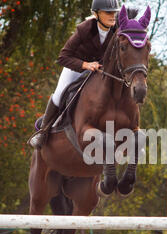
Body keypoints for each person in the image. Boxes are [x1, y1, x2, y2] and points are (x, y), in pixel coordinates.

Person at [29, 0, 120, 149]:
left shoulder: (117, 29)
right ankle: (43, 132)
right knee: (59, 95)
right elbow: (63, 57)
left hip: (100, 70)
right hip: (76, 67)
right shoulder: (85, 29)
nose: (112, 16)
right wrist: (85, 65)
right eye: (108, 12)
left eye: (114, 12)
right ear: (96, 14)